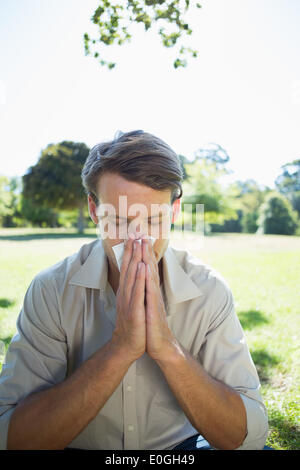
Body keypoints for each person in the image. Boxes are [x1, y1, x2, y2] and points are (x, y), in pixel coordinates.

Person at [0, 130, 268, 450]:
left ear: (175, 211)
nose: (137, 240)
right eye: (121, 221)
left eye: (154, 220)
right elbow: (13, 439)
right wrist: (121, 348)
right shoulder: (51, 290)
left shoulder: (208, 290)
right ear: (93, 209)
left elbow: (247, 437)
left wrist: (168, 348)